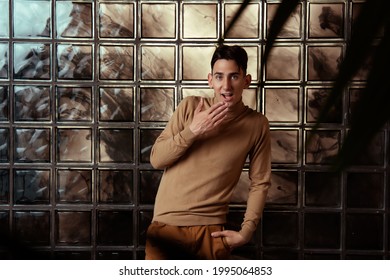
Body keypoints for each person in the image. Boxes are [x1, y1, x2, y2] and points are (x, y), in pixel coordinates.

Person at [145, 44, 271, 260]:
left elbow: (260, 182)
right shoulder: (190, 107)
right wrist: (194, 129)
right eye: (219, 77)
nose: (226, 86)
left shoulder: (257, 124)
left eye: (234, 77)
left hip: (211, 233)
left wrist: (246, 232)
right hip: (167, 226)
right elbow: (157, 160)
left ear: (246, 81)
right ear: (210, 80)